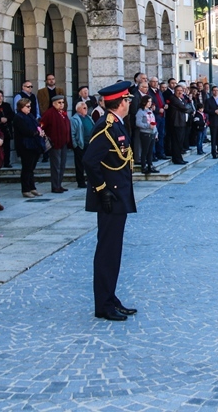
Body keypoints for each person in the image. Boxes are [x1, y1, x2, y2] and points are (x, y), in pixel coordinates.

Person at [85, 81, 138, 321]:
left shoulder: (117, 124)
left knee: (113, 251)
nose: (129, 102)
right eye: (127, 99)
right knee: (107, 251)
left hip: (119, 196)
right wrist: (102, 190)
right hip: (110, 198)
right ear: (120, 102)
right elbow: (90, 161)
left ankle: (110, 296)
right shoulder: (105, 127)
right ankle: (103, 304)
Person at [13, 98, 43, 197]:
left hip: (34, 144)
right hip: (25, 146)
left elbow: (37, 125)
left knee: (31, 168)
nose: (30, 108)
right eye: (28, 106)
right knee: (26, 168)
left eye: (30, 106)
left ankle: (32, 187)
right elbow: (25, 131)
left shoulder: (30, 115)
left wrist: (40, 131)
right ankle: (25, 189)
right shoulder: (18, 117)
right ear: (21, 107)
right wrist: (36, 132)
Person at [40, 95, 71, 192]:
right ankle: (55, 186)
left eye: (62, 102)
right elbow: (41, 126)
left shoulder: (63, 113)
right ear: (54, 103)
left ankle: (59, 184)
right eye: (59, 102)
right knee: (56, 165)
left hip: (64, 142)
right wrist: (47, 137)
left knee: (62, 165)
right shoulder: (49, 113)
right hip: (55, 143)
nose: (61, 104)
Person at [71, 101, 95, 188]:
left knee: (89, 163)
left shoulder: (88, 117)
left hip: (90, 144)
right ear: (78, 109)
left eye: (86, 108)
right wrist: (75, 145)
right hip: (81, 145)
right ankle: (80, 182)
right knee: (80, 164)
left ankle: (90, 179)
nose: (86, 109)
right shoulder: (74, 119)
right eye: (84, 108)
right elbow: (72, 133)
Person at [134, 95, 159, 174]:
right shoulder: (140, 112)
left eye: (151, 102)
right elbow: (138, 123)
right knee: (145, 150)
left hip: (152, 133)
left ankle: (150, 165)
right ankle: (143, 166)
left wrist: (156, 132)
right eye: (148, 101)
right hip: (145, 133)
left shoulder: (150, 111)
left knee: (150, 151)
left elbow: (153, 121)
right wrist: (148, 126)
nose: (150, 103)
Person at [0, 90, 15, 168]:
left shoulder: (6, 105)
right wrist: (0, 119)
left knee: (7, 146)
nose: (0, 98)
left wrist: (7, 118)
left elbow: (12, 115)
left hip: (7, 128)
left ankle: (7, 162)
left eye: (1, 96)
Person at [166, 84, 189, 164]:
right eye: (178, 91)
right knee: (176, 142)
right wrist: (189, 109)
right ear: (175, 91)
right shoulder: (173, 98)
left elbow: (185, 106)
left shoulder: (181, 99)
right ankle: (176, 158)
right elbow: (184, 108)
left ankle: (180, 158)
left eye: (181, 91)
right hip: (176, 123)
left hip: (181, 122)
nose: (180, 92)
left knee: (180, 142)